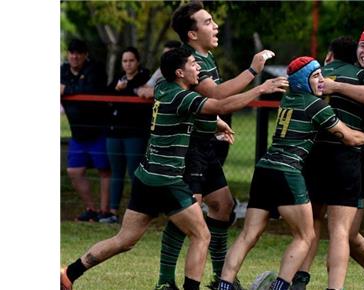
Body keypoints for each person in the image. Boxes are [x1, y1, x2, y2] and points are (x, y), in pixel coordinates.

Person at [60, 47, 289, 290]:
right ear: (180, 72)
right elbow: (220, 105)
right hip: (167, 180)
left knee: (124, 240)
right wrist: (260, 88)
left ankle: (69, 274)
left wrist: (215, 125)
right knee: (202, 236)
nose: (198, 67)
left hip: (146, 176)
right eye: (193, 64)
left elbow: (192, 115)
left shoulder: (163, 88)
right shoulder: (183, 97)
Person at [217, 56, 364, 290]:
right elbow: (349, 137)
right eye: (316, 76)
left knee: (249, 234)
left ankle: (224, 285)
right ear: (302, 81)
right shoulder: (315, 105)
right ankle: (281, 287)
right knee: (305, 236)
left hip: (264, 169)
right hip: (287, 171)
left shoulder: (288, 98)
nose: (322, 80)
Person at [156, 3, 279, 289]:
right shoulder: (188, 61)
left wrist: (216, 123)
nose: (216, 26)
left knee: (223, 207)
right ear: (192, 33)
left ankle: (221, 279)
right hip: (190, 150)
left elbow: (208, 107)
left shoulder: (205, 56)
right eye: (208, 22)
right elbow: (217, 95)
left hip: (205, 145)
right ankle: (164, 282)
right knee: (186, 213)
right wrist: (253, 71)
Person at [290, 37, 364, 290]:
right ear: (353, 52)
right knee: (345, 232)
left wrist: (336, 87)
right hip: (352, 155)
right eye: (363, 46)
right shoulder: (352, 74)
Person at [60, 38, 112, 222]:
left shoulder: (95, 69)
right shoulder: (63, 70)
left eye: (78, 53)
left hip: (98, 130)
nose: (74, 57)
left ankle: (105, 212)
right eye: (71, 53)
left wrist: (66, 88)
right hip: (77, 132)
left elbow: (89, 89)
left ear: (85, 55)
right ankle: (91, 208)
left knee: (104, 170)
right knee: (74, 171)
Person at [102, 46, 152, 223]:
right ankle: (112, 212)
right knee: (116, 172)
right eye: (125, 61)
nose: (128, 64)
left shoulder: (145, 78)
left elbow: (144, 101)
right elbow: (105, 97)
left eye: (131, 60)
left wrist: (128, 89)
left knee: (134, 173)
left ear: (137, 61)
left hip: (135, 134)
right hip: (114, 133)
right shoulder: (118, 79)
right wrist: (117, 89)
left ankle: (138, 213)